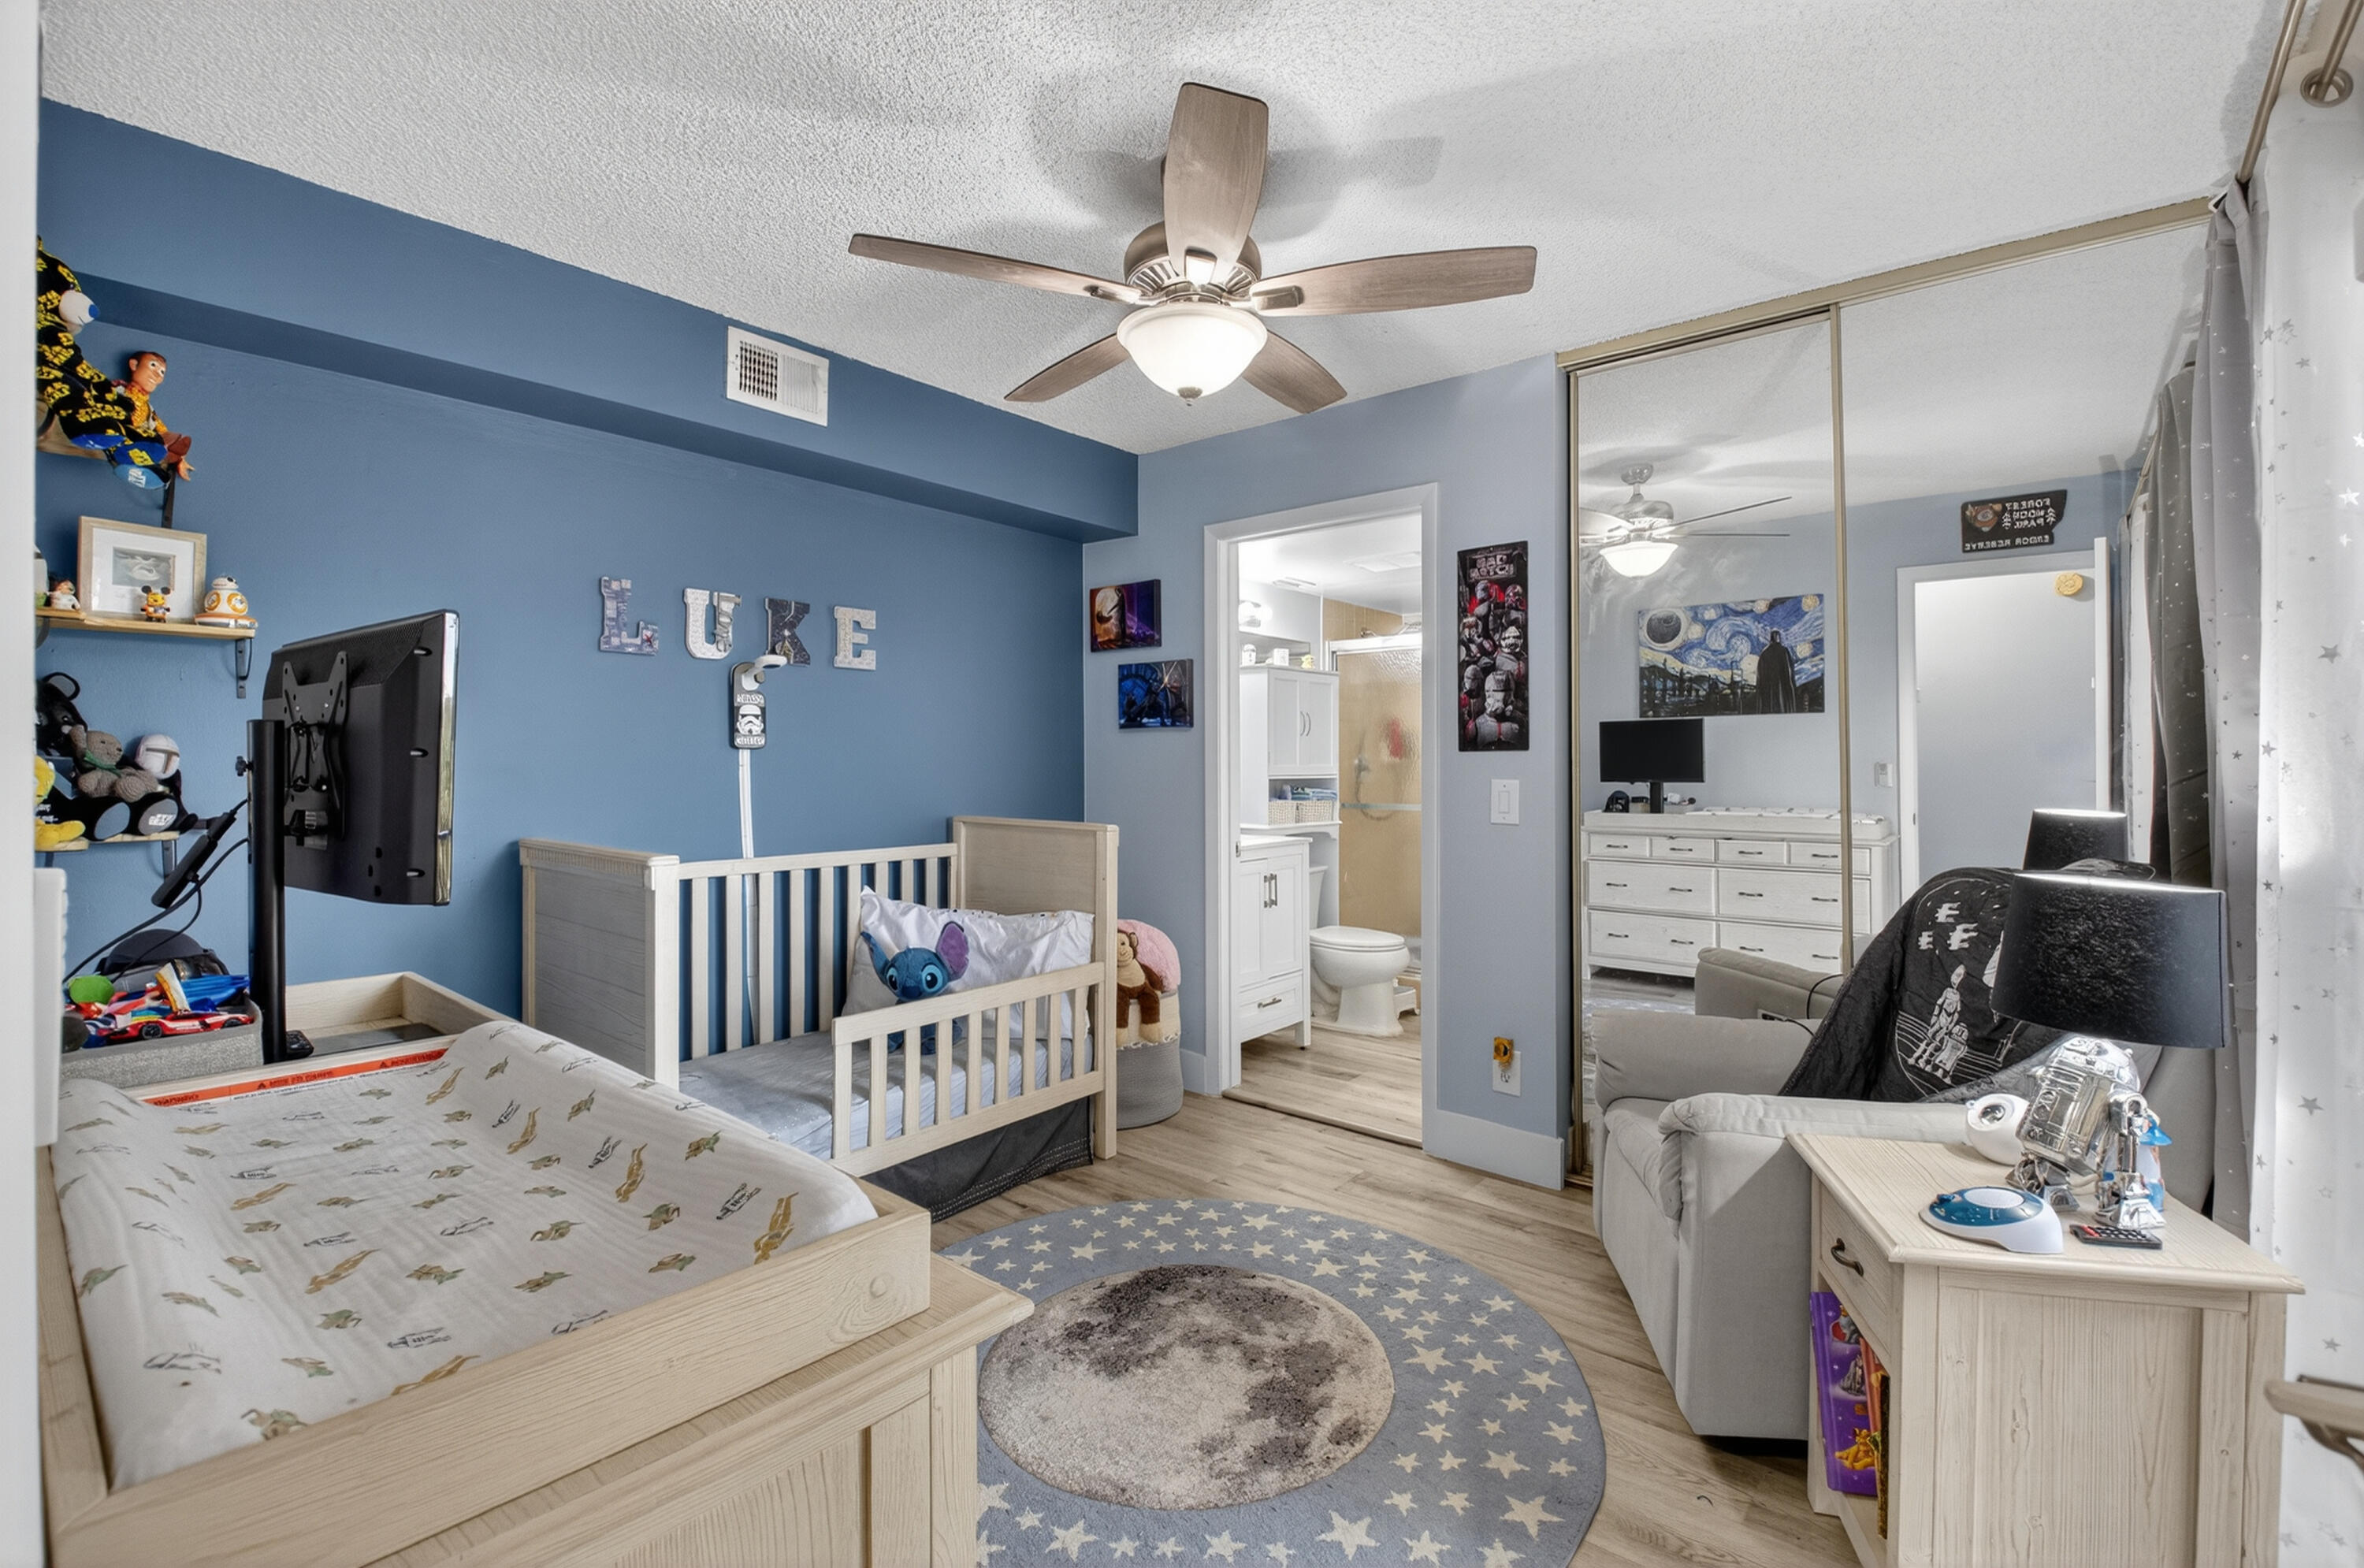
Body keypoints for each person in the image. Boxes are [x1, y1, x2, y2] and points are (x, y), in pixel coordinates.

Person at [116, 351, 194, 481]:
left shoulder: (148, 409)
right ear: (134, 365)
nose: (158, 375)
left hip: (142, 441)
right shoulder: (119, 392)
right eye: (153, 365)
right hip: (123, 436)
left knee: (170, 439)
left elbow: (161, 428)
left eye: (162, 372)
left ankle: (168, 457)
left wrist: (180, 457)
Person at [1756, 627, 1799, 713]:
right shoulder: (1784, 651)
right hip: (1783, 688)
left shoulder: (1764, 653)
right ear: (1779, 638)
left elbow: (1760, 677)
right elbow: (1790, 672)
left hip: (1768, 691)